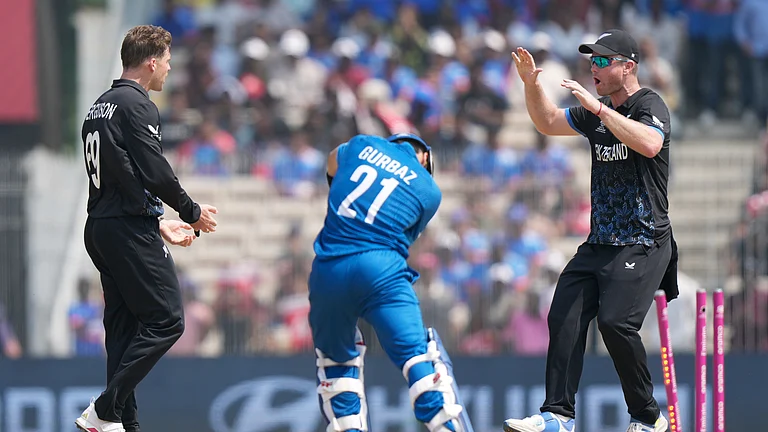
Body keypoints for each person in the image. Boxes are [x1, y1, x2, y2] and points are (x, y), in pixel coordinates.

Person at [503, 29, 677, 432]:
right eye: (591, 61)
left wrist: (600, 112)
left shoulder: (649, 103)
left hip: (645, 239)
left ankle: (647, 417)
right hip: (599, 241)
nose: (593, 68)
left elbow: (650, 143)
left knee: (615, 323)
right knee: (563, 312)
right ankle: (558, 416)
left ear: (628, 66)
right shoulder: (594, 109)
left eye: (602, 60)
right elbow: (546, 122)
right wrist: (532, 86)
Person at [76, 25, 218, 432]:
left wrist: (156, 223)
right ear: (152, 62)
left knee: (123, 331)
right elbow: (153, 171)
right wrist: (190, 211)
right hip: (124, 231)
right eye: (168, 62)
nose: (169, 70)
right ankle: (105, 410)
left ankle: (123, 424)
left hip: (102, 228)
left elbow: (120, 175)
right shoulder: (138, 105)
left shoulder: (99, 106)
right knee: (167, 319)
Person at [308, 133, 474, 432]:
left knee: (336, 366)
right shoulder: (429, 191)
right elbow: (403, 234)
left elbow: (332, 163)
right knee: (419, 358)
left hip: (329, 268)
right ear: (425, 158)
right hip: (380, 268)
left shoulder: (361, 144)